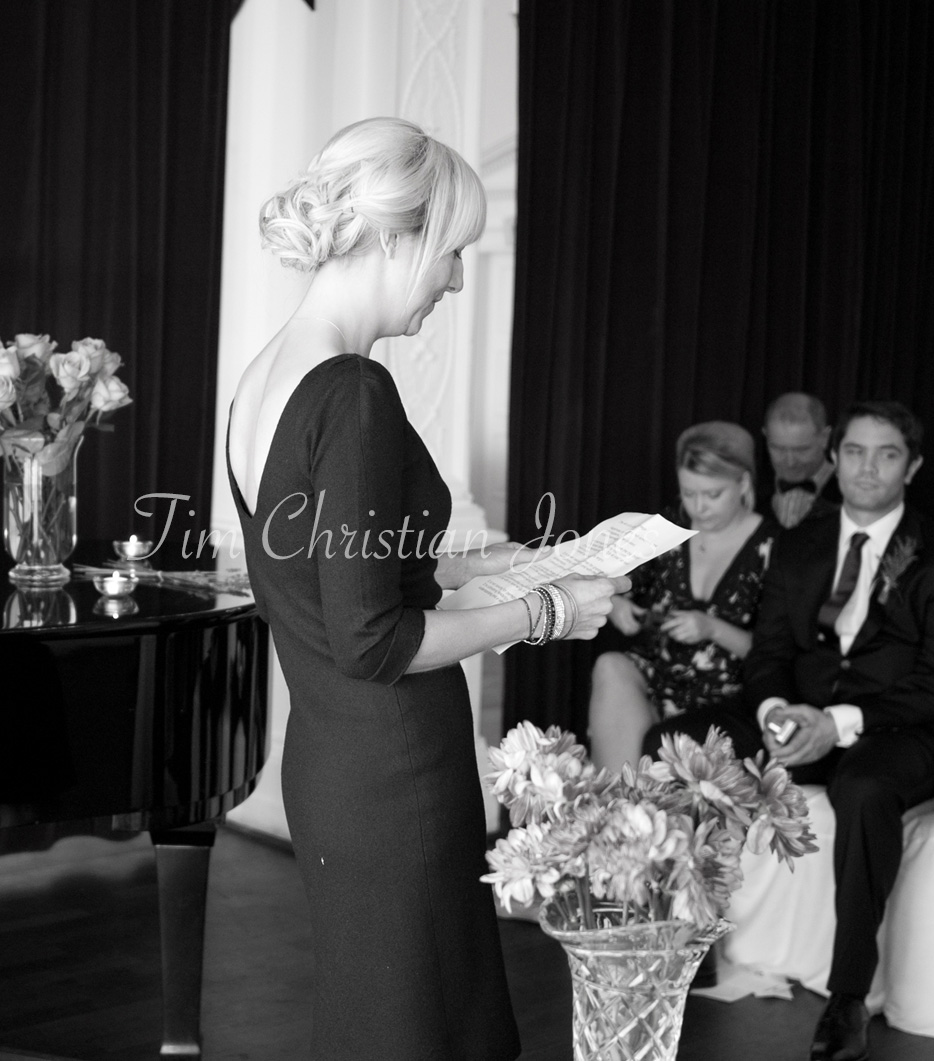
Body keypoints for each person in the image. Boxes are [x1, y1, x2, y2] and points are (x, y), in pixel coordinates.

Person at [225, 117, 627, 1061]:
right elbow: (377, 641)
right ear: (397, 237)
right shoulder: (353, 391)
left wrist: (508, 562)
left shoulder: (264, 378)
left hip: (339, 766)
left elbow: (349, 571)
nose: (453, 280)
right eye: (451, 253)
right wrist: (549, 612)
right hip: (394, 776)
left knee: (401, 1028)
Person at [744, 399, 934, 1061]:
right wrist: (776, 716)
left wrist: (838, 724)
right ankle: (683, 946)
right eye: (854, 451)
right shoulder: (797, 543)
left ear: (913, 467)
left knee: (867, 788)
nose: (866, 467)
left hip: (904, 731)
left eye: (887, 454)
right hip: (801, 717)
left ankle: (848, 996)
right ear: (835, 457)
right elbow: (766, 655)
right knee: (683, 747)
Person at [587, 421, 776, 775]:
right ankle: (618, 814)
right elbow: (611, 580)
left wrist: (712, 629)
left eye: (712, 495)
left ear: (744, 483)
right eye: (689, 494)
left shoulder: (772, 545)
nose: (699, 507)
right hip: (659, 675)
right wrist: (617, 605)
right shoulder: (671, 528)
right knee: (610, 665)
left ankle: (634, 810)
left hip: (727, 696)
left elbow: (775, 654)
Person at [759, 391, 842, 529]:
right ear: (765, 436)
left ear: (825, 438)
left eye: (801, 450)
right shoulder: (752, 488)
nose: (790, 462)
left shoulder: (849, 491)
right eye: (778, 449)